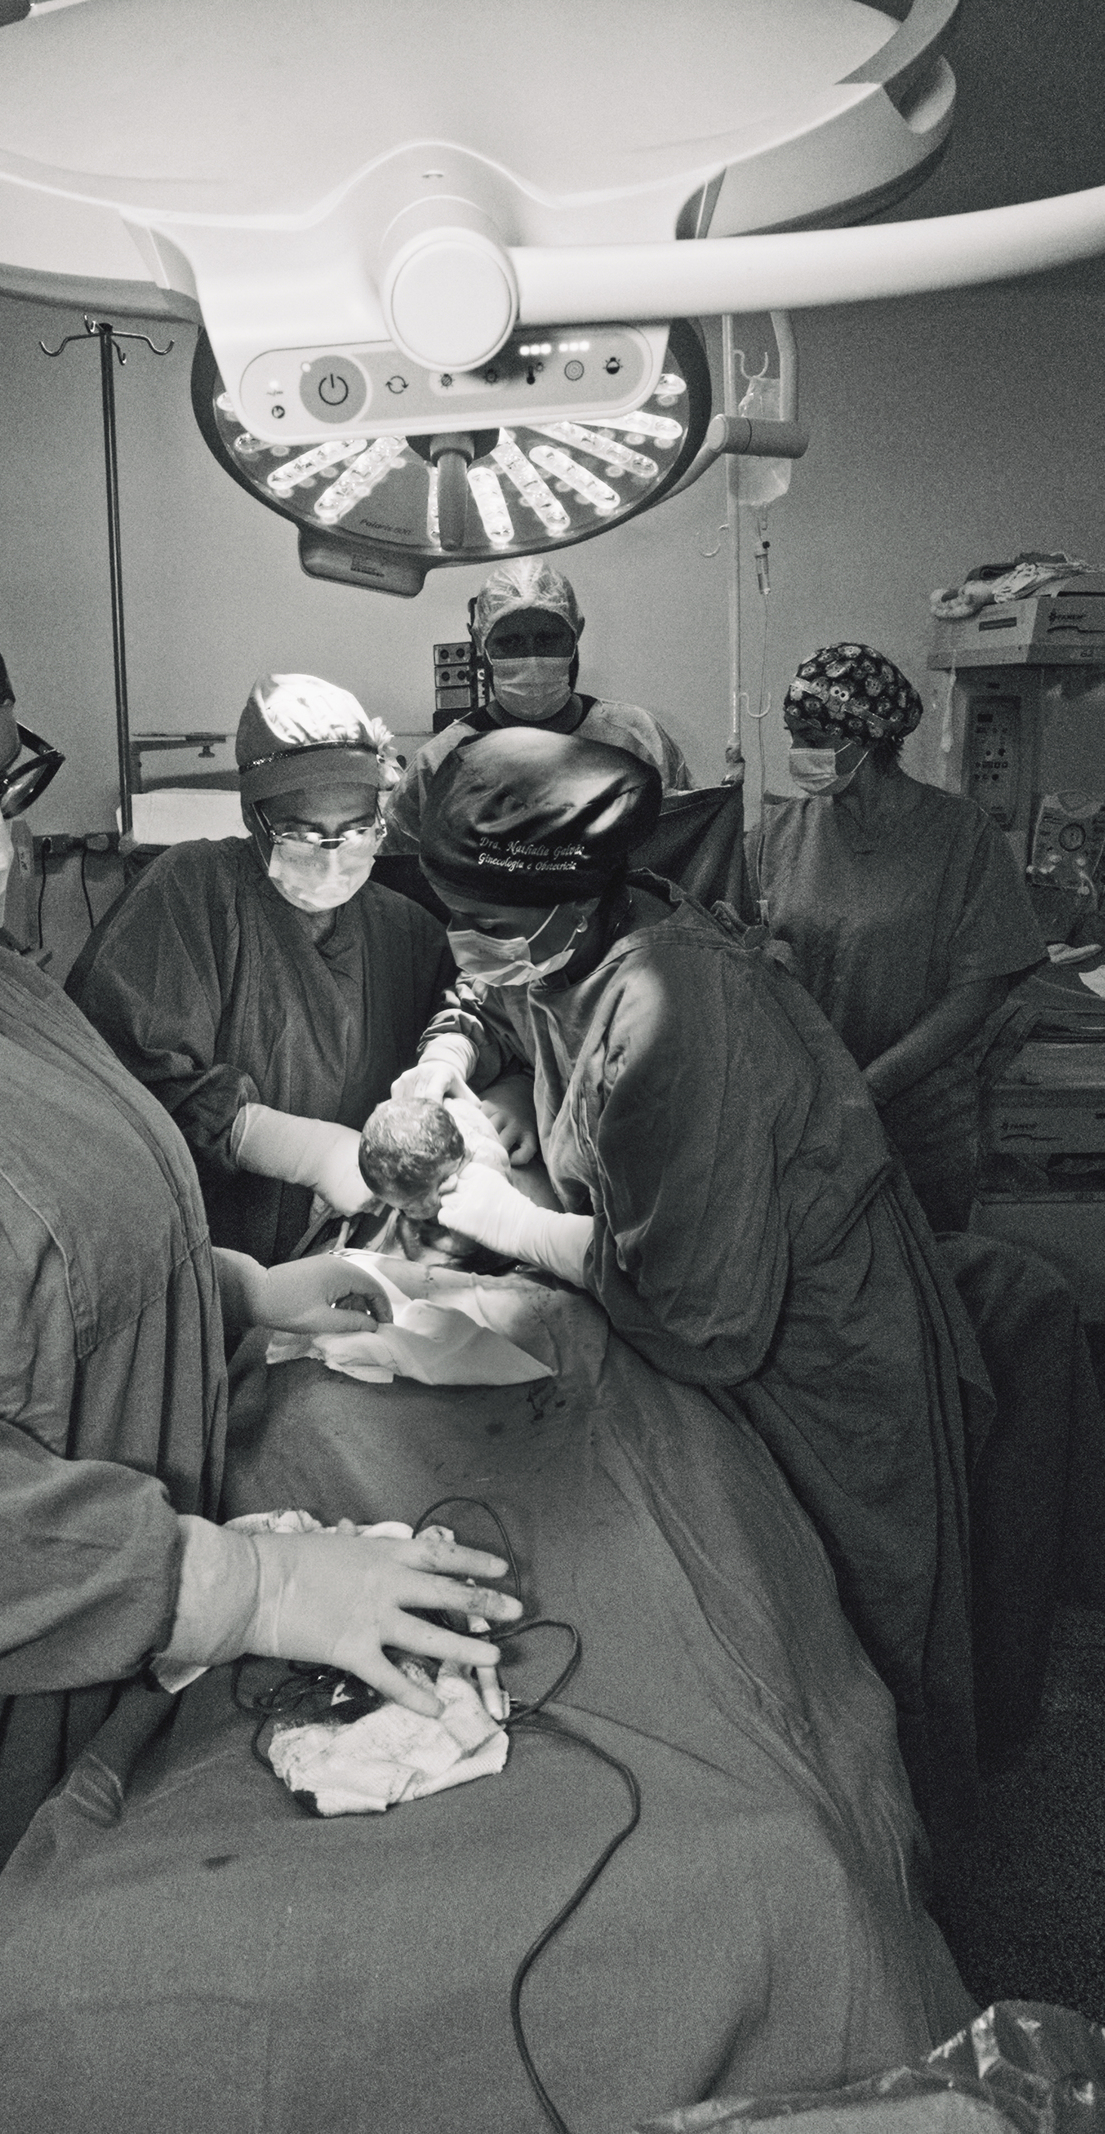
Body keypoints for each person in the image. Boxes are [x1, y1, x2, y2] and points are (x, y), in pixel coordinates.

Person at [0, 536, 521, 2023]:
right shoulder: (165, 913)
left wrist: (236, 1288)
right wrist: (243, 1583)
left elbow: (39, 1248)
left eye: (6, 782)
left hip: (113, 1636)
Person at [396, 724, 994, 1858]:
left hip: (814, 1351)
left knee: (852, 1642)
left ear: (571, 901)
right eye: (452, 915)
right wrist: (448, 1059)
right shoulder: (569, 933)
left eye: (485, 921)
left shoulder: (679, 1006)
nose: (466, 939)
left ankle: (897, 1880)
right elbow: (491, 986)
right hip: (735, 1291)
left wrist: (506, 1220)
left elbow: (695, 1314)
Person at [66, 676, 456, 1265]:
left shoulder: (408, 932)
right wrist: (303, 1151)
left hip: (356, 1247)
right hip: (207, 1258)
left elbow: (470, 1036)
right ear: (253, 816)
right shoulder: (191, 893)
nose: (332, 855)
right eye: (302, 834)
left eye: (355, 831)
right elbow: (117, 1083)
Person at [748, 644, 1044, 1232]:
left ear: (867, 737)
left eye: (812, 737)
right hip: (802, 1119)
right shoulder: (776, 836)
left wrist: (870, 1089)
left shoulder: (961, 837)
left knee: (921, 1272)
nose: (798, 754)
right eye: (792, 736)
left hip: (918, 1122)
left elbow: (980, 990)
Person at [379, 554, 694, 862]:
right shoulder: (439, 764)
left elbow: (684, 846)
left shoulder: (637, 738)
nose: (531, 658)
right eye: (510, 642)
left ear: (576, 634)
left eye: (547, 639)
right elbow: (400, 874)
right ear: (480, 644)